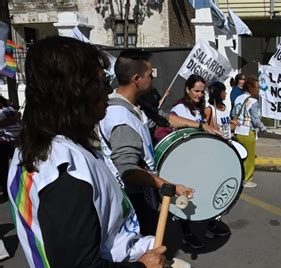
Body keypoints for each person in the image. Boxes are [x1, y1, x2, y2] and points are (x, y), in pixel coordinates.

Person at [8, 36, 168, 268]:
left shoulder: (35, 146)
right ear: (74, 91)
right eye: (100, 83)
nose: (107, 92)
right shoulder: (65, 171)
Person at [99, 49, 194, 238]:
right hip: (134, 200)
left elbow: (162, 118)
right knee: (144, 245)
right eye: (150, 75)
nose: (153, 78)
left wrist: (201, 125)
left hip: (142, 194)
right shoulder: (121, 117)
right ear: (137, 78)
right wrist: (169, 186)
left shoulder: (130, 104)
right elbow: (127, 170)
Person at [169, 75, 231, 249]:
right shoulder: (180, 108)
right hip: (184, 161)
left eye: (202, 91)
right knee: (186, 196)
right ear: (187, 89)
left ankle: (209, 223)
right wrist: (201, 126)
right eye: (196, 91)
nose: (199, 94)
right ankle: (187, 233)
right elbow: (170, 120)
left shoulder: (198, 108)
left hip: (200, 160)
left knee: (206, 190)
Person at [232, 75, 267, 188]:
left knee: (241, 157)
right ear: (251, 88)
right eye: (257, 87)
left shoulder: (238, 98)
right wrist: (263, 127)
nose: (258, 89)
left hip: (238, 132)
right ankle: (247, 180)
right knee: (249, 158)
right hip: (248, 133)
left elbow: (233, 114)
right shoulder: (253, 101)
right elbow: (256, 120)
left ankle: (239, 177)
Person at [0, 95, 20, 202]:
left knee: (15, 165)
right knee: (5, 168)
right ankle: (8, 190)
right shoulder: (8, 109)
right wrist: (14, 118)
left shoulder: (7, 107)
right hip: (6, 141)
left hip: (11, 141)